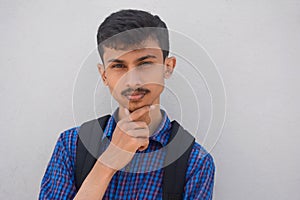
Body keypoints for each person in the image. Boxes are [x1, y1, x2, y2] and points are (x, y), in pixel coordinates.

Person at [39, 9, 215, 200]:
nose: (132, 81)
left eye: (145, 63)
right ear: (104, 75)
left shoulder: (195, 163)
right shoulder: (71, 146)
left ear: (168, 67)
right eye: (118, 66)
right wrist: (107, 163)